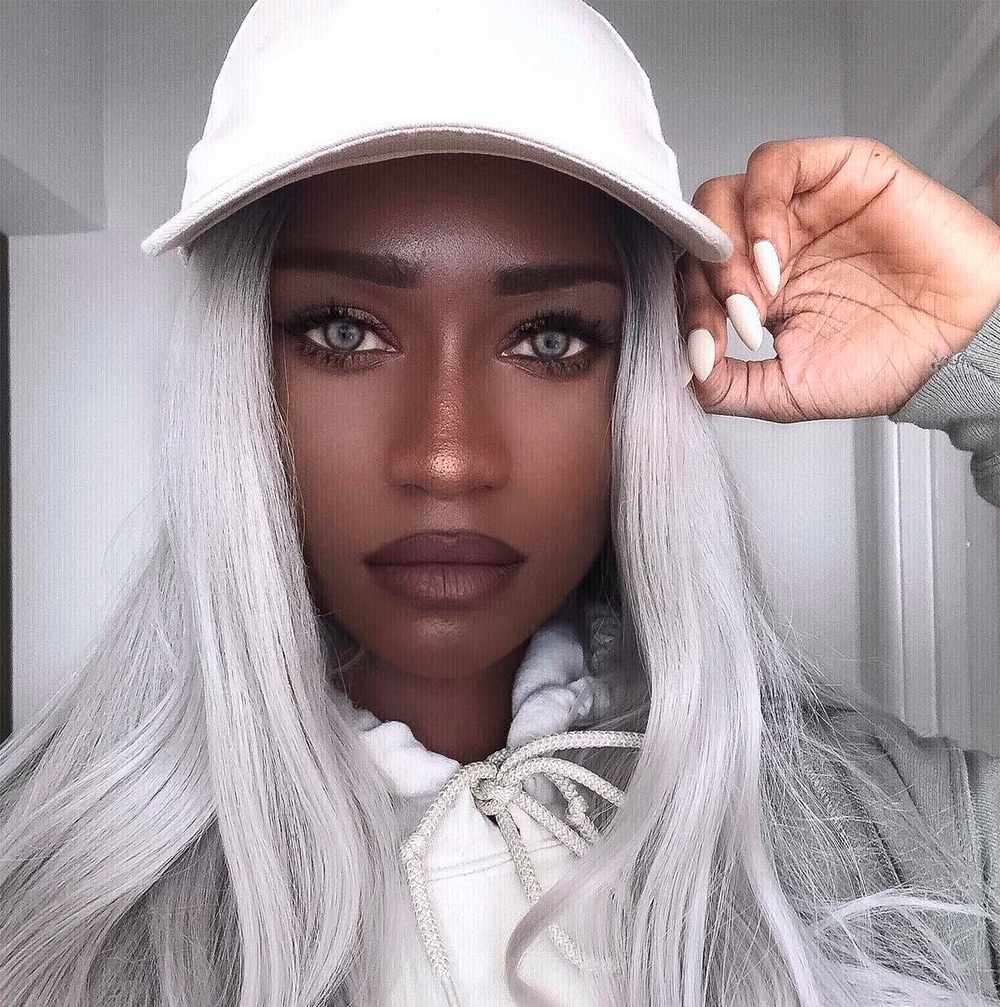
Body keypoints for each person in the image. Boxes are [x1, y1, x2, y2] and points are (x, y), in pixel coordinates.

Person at [1, 1, 998, 1006]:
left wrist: (982, 339)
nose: (446, 458)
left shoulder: (893, 834)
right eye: (343, 332)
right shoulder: (33, 875)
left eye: (549, 339)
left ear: (635, 384)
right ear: (238, 372)